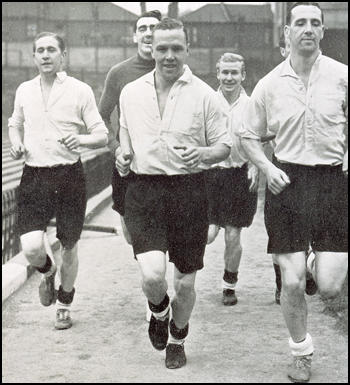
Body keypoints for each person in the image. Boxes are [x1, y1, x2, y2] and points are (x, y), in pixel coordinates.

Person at [240, 3, 348, 383]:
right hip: (287, 183)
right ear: (287, 31)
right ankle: (301, 352)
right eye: (299, 23)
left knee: (332, 288)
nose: (307, 29)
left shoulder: (342, 77)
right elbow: (248, 135)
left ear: (323, 31)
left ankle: (316, 261)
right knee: (292, 281)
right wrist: (267, 167)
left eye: (314, 23)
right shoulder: (269, 84)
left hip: (333, 184)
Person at [116, 18, 232, 369]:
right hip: (144, 189)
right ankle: (159, 312)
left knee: (184, 283)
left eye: (176, 48)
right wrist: (123, 154)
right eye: (161, 48)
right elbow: (125, 133)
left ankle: (178, 338)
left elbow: (225, 145)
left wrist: (204, 154)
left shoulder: (205, 95)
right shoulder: (131, 92)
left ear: (187, 49)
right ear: (150, 47)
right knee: (152, 275)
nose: (168, 55)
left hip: (189, 191)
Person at [8, 32, 108, 330]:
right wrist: (16, 143)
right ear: (34, 56)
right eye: (40, 50)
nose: (46, 55)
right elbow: (15, 124)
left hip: (68, 176)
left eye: (52, 49)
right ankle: (48, 273)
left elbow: (101, 134)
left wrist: (80, 138)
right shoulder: (24, 90)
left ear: (63, 55)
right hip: (34, 174)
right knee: (31, 247)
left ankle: (64, 303)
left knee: (70, 245)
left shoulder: (80, 90)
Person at [98, 10, 162, 244]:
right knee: (133, 235)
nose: (148, 33)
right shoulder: (119, 73)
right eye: (142, 29)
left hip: (164, 164)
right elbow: (101, 118)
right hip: (128, 164)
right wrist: (116, 149)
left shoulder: (174, 70)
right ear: (135, 36)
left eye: (153, 28)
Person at [206, 53, 259, 306]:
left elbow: (258, 139)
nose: (229, 77)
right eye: (224, 72)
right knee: (207, 234)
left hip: (239, 175)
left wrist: (257, 166)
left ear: (243, 75)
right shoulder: (207, 101)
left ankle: (229, 285)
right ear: (217, 74)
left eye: (234, 73)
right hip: (211, 175)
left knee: (232, 234)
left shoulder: (252, 105)